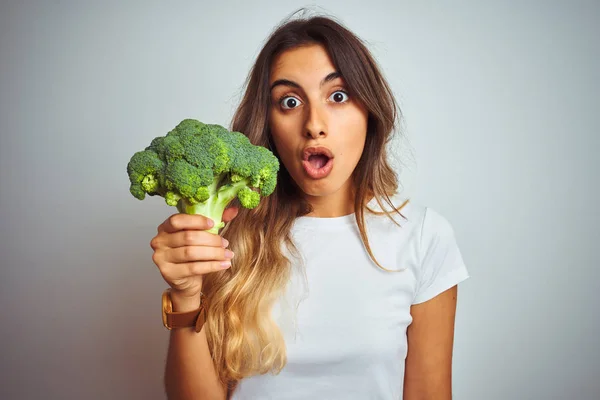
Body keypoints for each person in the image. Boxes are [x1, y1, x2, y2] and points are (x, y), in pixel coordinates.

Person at [150, 13, 470, 400]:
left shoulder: (423, 237)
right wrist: (185, 295)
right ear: (267, 123)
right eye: (289, 101)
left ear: (369, 110)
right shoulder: (224, 234)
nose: (314, 124)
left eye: (338, 96)